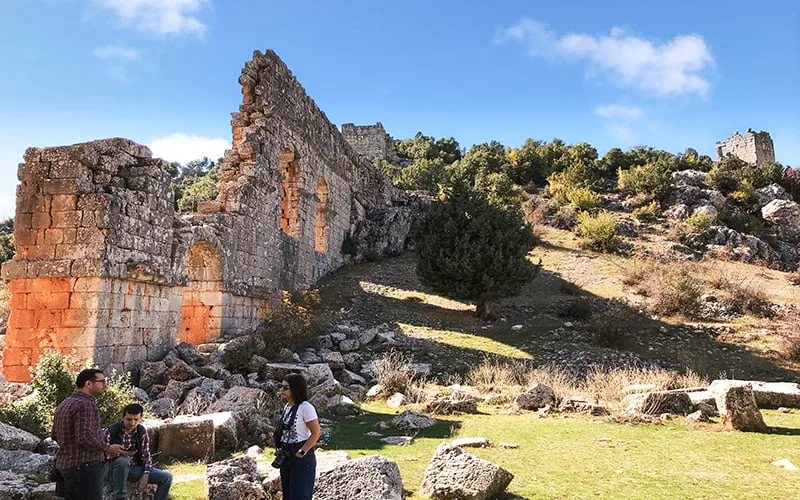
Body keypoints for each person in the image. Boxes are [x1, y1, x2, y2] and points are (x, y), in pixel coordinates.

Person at [52, 368, 126, 500]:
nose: (105, 385)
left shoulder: (64, 403)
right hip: (84, 467)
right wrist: (108, 448)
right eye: (102, 381)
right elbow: (84, 437)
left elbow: (55, 435)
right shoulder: (85, 404)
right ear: (88, 384)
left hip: (65, 465)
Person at [105, 403, 173, 500]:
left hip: (134, 469)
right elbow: (100, 455)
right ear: (123, 418)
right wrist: (118, 453)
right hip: (113, 469)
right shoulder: (111, 431)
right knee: (123, 460)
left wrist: (146, 473)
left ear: (140, 418)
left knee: (167, 477)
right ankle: (120, 497)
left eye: (136, 419)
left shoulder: (141, 431)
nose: (132, 423)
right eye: (129, 419)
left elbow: (146, 455)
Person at [277, 373, 322, 500]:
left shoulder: (306, 408)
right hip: (286, 454)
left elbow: (316, 433)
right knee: (288, 493)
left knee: (300, 494)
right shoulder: (287, 407)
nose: (281, 390)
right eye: (281, 386)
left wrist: (302, 451)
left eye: (286, 388)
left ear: (295, 388)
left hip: (300, 453)